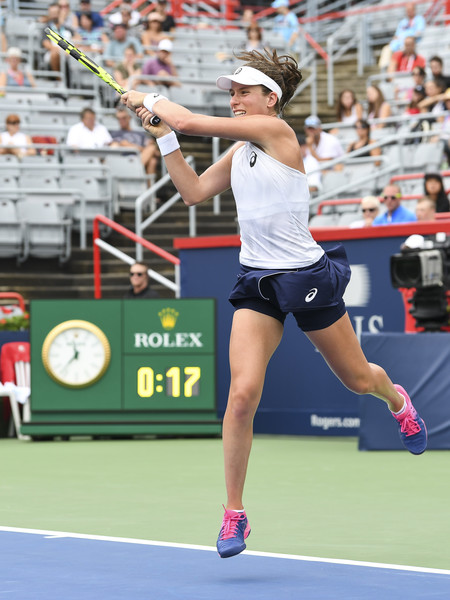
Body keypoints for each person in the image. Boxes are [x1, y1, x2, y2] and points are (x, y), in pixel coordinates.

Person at [121, 49, 428, 559]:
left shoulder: (279, 134)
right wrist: (165, 139)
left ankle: (396, 400)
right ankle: (234, 512)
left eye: (244, 92)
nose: (235, 99)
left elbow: (190, 117)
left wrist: (148, 97)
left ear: (271, 99)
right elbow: (193, 192)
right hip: (257, 280)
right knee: (242, 395)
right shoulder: (241, 152)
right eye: (232, 92)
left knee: (357, 379)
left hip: (307, 276)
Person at [110, 106, 159, 176]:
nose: (121, 121)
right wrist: (143, 150)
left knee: (152, 159)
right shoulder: (115, 134)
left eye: (123, 118)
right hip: (125, 159)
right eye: (119, 119)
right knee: (151, 149)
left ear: (129, 118)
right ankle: (134, 171)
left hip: (141, 157)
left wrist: (138, 148)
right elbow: (122, 144)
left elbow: (155, 152)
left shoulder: (140, 134)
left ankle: (146, 183)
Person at [378, 2, 425, 69]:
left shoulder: (419, 19)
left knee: (398, 53)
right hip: (398, 44)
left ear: (414, 10)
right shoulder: (403, 22)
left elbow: (419, 33)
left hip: (410, 44)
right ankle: (383, 68)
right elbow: (396, 36)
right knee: (386, 49)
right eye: (407, 10)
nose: (409, 12)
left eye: (410, 10)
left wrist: (407, 38)